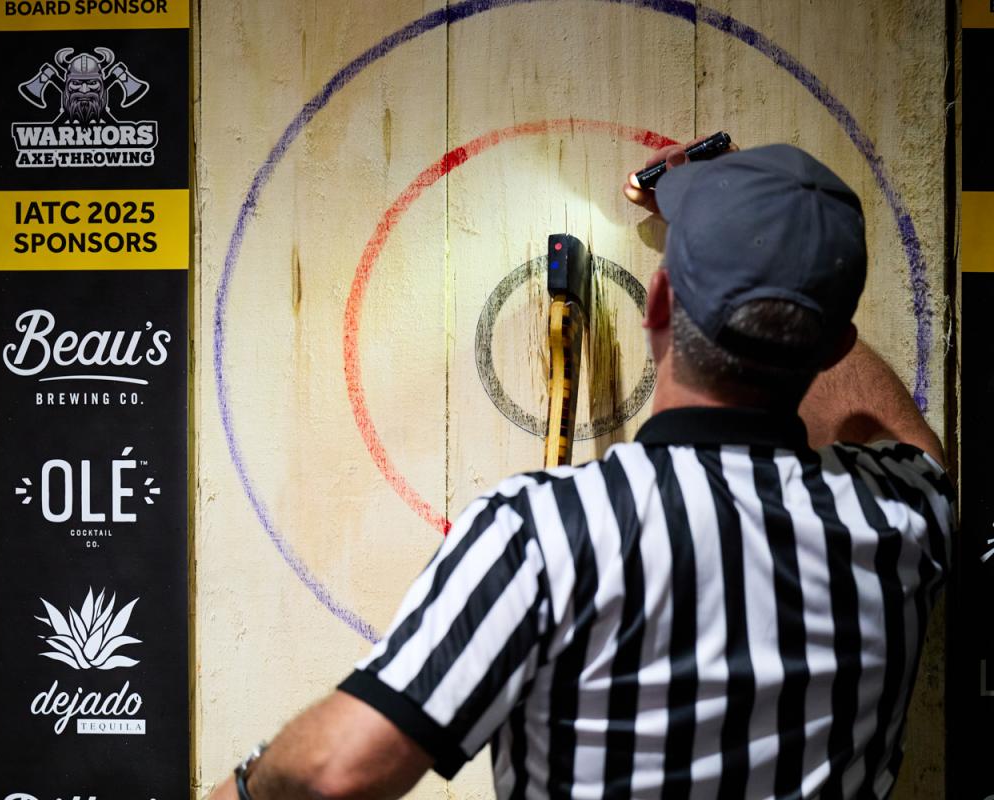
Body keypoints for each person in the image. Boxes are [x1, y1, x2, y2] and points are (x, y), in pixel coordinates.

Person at [207, 141, 955, 799]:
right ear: (835, 343)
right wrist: (781, 241)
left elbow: (336, 773)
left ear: (656, 301)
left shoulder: (541, 532)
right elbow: (901, 430)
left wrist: (240, 790)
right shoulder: (905, 515)